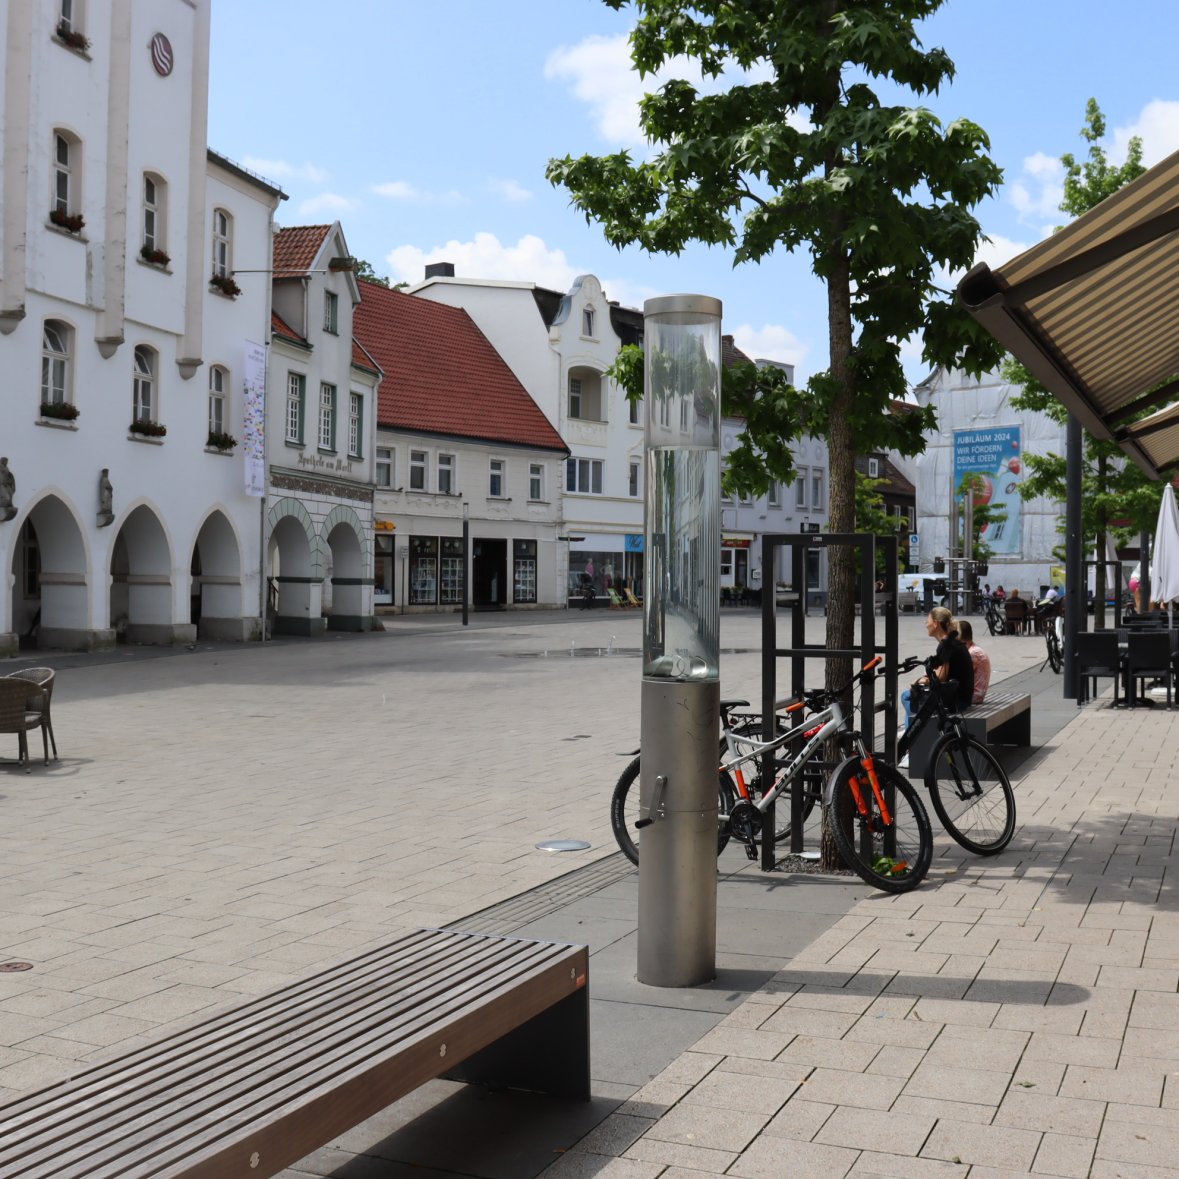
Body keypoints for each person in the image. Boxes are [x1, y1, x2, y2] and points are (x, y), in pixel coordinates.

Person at [902, 606, 974, 730]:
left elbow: (941, 677)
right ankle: (911, 730)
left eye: (927, 621)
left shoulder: (946, 645)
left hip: (955, 701)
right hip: (963, 696)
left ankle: (913, 733)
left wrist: (920, 681)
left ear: (935, 623)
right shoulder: (954, 642)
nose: (926, 624)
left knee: (906, 696)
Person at [957, 620, 991, 704]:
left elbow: (959, 676)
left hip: (973, 696)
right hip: (978, 694)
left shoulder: (972, 654)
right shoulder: (975, 649)